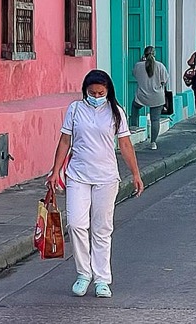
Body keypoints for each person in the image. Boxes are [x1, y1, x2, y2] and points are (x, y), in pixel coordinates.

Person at [48, 70, 144, 299]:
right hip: (77, 175)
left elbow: (126, 145)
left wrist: (136, 174)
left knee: (102, 229)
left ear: (108, 91)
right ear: (85, 91)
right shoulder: (75, 109)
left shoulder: (115, 112)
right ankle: (83, 273)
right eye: (92, 92)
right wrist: (55, 171)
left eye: (100, 93)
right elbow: (64, 140)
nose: (96, 96)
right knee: (76, 224)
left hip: (106, 177)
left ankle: (102, 279)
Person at [132, 46, 169, 150]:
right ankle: (153, 142)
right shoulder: (160, 66)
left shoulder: (138, 65)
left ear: (144, 54)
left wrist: (141, 61)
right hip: (157, 96)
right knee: (155, 119)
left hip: (142, 95)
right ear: (154, 54)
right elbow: (165, 80)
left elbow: (134, 74)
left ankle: (134, 126)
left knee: (135, 107)